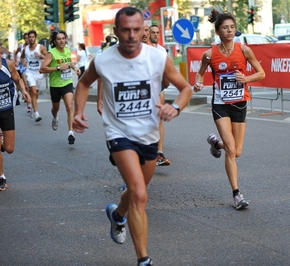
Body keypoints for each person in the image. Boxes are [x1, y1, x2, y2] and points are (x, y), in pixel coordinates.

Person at [73, 7, 192, 266]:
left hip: (148, 135)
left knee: (136, 190)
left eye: (137, 29)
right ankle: (144, 260)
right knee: (139, 193)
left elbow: (186, 88)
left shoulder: (157, 58)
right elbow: (83, 83)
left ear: (144, 30)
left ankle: (118, 215)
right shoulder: (104, 60)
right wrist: (78, 111)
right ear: (115, 31)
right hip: (119, 134)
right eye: (125, 30)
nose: (131, 35)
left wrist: (176, 106)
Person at [193, 10, 265, 210]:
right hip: (220, 105)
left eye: (232, 27)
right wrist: (198, 84)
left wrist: (246, 79)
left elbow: (261, 73)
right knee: (231, 149)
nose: (230, 30)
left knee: (237, 151)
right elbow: (199, 76)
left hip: (240, 104)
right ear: (218, 31)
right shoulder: (209, 54)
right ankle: (236, 194)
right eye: (225, 27)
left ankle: (216, 144)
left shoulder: (244, 50)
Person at [0, 37, 31, 191]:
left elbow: (18, 80)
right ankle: (1, 177)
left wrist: (24, 91)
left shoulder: (8, 64)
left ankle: (3, 138)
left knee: (9, 148)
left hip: (7, 109)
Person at [39, 30, 81, 144]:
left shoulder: (67, 51)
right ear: (54, 41)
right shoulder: (51, 53)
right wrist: (57, 68)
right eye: (59, 39)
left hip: (67, 83)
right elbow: (42, 69)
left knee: (69, 107)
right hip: (55, 85)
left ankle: (71, 132)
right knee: (55, 108)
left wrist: (75, 68)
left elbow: (69, 62)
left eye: (63, 38)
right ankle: (55, 116)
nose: (61, 41)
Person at [149, 24, 171, 166]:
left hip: (159, 88)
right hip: (145, 89)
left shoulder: (163, 51)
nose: (156, 34)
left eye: (158, 32)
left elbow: (167, 72)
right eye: (153, 32)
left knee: (159, 119)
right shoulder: (144, 50)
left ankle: (159, 152)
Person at [20, 30, 47, 122]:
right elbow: (22, 57)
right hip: (29, 72)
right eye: (29, 37)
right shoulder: (25, 49)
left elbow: (48, 57)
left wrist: (40, 56)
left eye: (33, 37)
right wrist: (23, 62)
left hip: (39, 73)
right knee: (34, 92)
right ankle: (36, 113)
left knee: (36, 93)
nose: (31, 39)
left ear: (35, 38)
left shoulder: (41, 47)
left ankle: (32, 106)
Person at [14, 32, 31, 113]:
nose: (28, 39)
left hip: (32, 69)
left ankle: (27, 97)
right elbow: (16, 54)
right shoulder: (22, 47)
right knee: (26, 86)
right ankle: (28, 105)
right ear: (24, 39)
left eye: (29, 38)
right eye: (26, 38)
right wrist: (16, 61)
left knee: (33, 88)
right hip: (23, 68)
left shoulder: (33, 47)